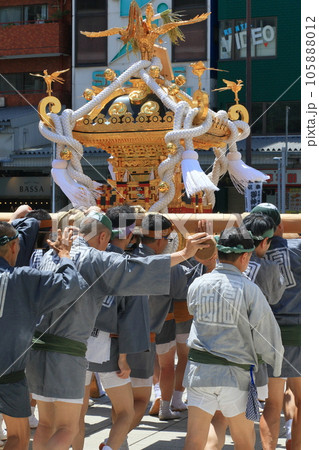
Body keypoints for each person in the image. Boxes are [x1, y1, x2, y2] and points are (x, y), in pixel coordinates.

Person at [26, 210, 210, 450]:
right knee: (66, 427)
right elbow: (138, 268)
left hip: (36, 348)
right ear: (103, 238)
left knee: (46, 424)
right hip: (67, 352)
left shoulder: (46, 255)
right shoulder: (94, 258)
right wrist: (186, 253)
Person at [183, 226, 284, 450]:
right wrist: (275, 365)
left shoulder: (198, 284)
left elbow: (192, 310)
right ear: (245, 256)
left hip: (199, 372)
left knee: (194, 439)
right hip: (234, 376)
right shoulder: (249, 289)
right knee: (244, 441)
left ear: (218, 253)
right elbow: (267, 334)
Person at [0, 222, 88, 450]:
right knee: (17, 439)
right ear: (13, 246)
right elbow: (70, 285)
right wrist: (66, 256)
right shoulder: (22, 279)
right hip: (8, 377)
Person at [250, 203, 301, 450]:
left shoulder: (248, 257)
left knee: (271, 402)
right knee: (302, 400)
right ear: (280, 226)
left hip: (267, 333)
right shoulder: (300, 250)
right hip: (299, 328)